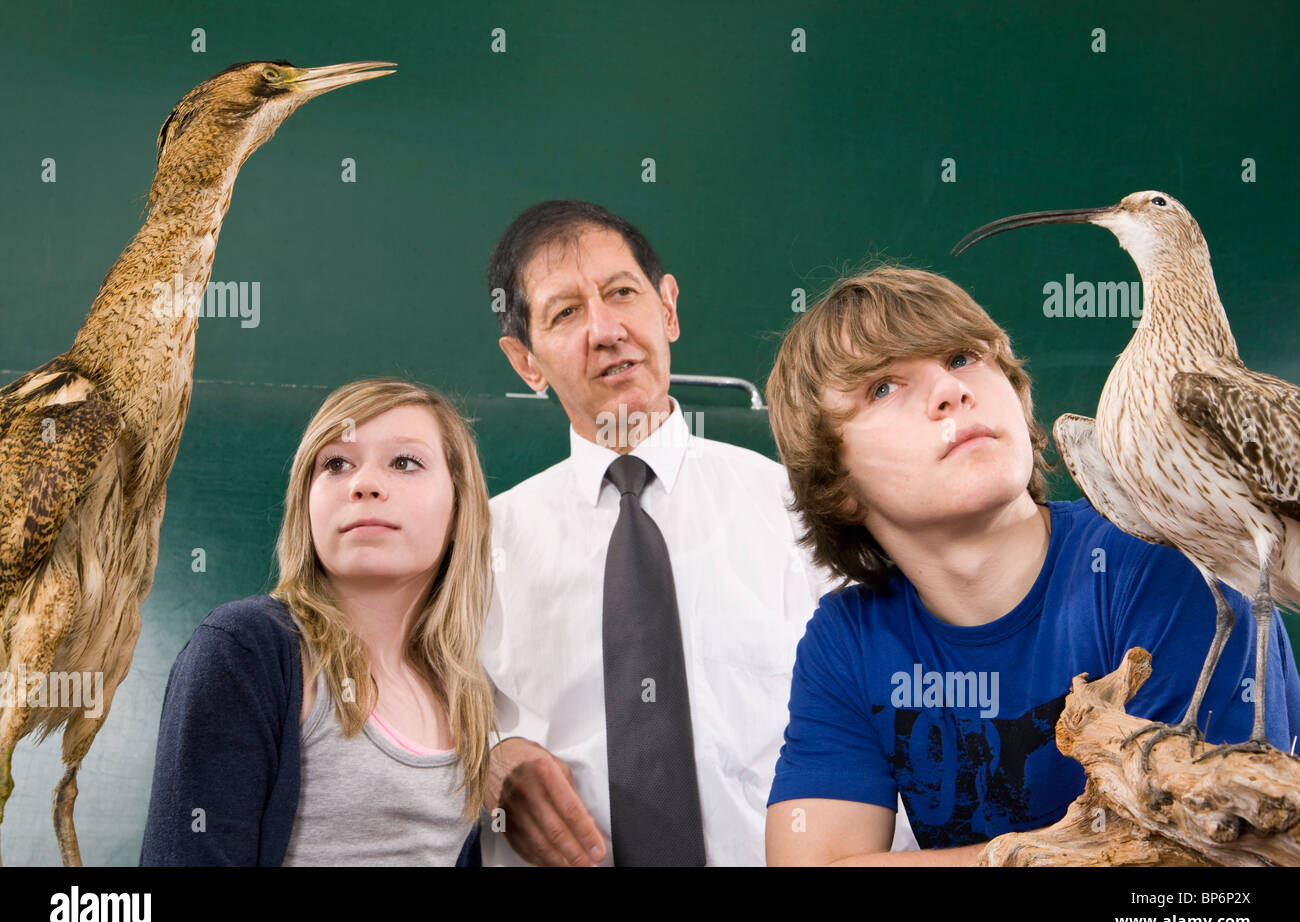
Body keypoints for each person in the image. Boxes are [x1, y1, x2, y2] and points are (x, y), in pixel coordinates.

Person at [763, 266, 1300, 864]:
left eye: (963, 357)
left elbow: (1211, 866)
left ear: (1017, 396)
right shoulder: (847, 639)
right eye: (883, 388)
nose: (949, 390)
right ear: (836, 482)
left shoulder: (1164, 562)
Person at [481, 200, 917, 866]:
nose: (605, 330)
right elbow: (407, 730)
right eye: (565, 313)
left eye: (622, 293)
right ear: (526, 363)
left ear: (668, 310)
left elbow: (903, 725)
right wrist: (485, 764)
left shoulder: (806, 511)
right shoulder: (477, 548)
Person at [140, 378, 495, 865]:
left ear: (458, 507)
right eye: (336, 464)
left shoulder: (465, 690)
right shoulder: (245, 649)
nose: (363, 483)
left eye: (405, 462)